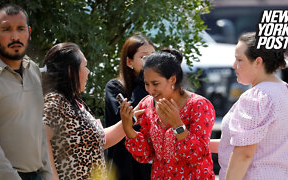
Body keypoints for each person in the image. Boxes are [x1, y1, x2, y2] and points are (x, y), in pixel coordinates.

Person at [210, 32, 288, 180]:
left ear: (258, 62)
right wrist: (199, 144)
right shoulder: (284, 89)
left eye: (240, 60)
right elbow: (256, 144)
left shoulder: (256, 96)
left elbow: (243, 153)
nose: (234, 66)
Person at [120, 49, 215, 179]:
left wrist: (177, 125)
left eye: (155, 83)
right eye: (146, 84)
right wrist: (128, 129)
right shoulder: (147, 104)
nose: (150, 90)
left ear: (172, 79)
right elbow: (145, 155)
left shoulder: (199, 106)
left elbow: (198, 156)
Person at [42, 42, 128, 180]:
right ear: (71, 70)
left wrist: (129, 120)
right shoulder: (55, 101)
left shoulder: (75, 103)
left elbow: (100, 141)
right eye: (85, 66)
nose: (88, 72)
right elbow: (42, 144)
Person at [0, 4, 52, 180]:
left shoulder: (34, 71)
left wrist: (47, 174)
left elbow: (38, 127)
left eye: (21, 29)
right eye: (6, 29)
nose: (15, 36)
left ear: (29, 32)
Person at [104, 34, 154, 179]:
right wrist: (144, 79)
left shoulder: (159, 88)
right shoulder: (115, 87)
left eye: (153, 56)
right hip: (124, 163)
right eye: (144, 57)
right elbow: (133, 118)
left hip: (150, 162)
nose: (150, 61)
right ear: (129, 61)